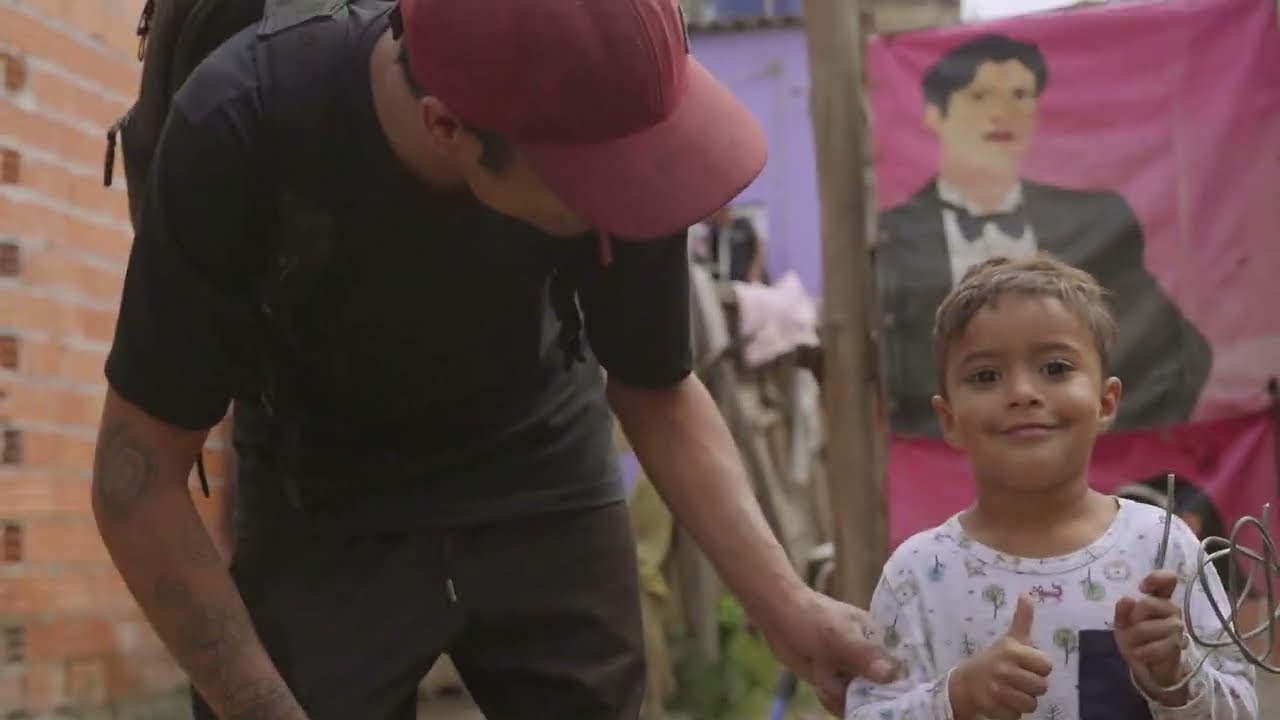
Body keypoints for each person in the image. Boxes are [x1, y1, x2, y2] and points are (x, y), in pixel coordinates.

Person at [90, 1, 900, 719]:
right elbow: (138, 482)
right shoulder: (244, 120)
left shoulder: (623, 118)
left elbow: (655, 386)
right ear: (448, 127)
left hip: (541, 462)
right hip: (322, 492)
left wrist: (788, 606)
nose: (634, 194)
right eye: (595, 183)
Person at [845, 255, 1257, 719]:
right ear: (949, 419)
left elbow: (1242, 707)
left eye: (1056, 368)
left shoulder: (1163, 549)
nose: (1022, 392)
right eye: (986, 376)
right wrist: (955, 698)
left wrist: (1173, 677)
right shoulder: (918, 576)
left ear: (1106, 402)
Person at [875, 33, 1212, 438]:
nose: (1003, 113)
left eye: (1020, 95)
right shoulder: (889, 235)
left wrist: (1124, 444)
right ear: (934, 113)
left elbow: (1183, 352)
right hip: (936, 469)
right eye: (979, 96)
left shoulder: (1099, 216)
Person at [702, 205, 768, 283]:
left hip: (746, 277)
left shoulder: (743, 224)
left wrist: (754, 271)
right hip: (726, 279)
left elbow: (759, 250)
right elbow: (710, 255)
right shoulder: (716, 231)